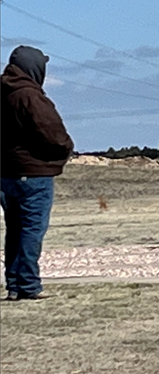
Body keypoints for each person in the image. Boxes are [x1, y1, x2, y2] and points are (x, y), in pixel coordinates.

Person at [1, 45, 74, 301]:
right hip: (33, 172)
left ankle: (14, 284)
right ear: (33, 67)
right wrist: (66, 147)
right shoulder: (30, 96)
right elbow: (52, 132)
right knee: (31, 230)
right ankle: (29, 284)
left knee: (15, 230)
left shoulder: (4, 93)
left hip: (6, 173)